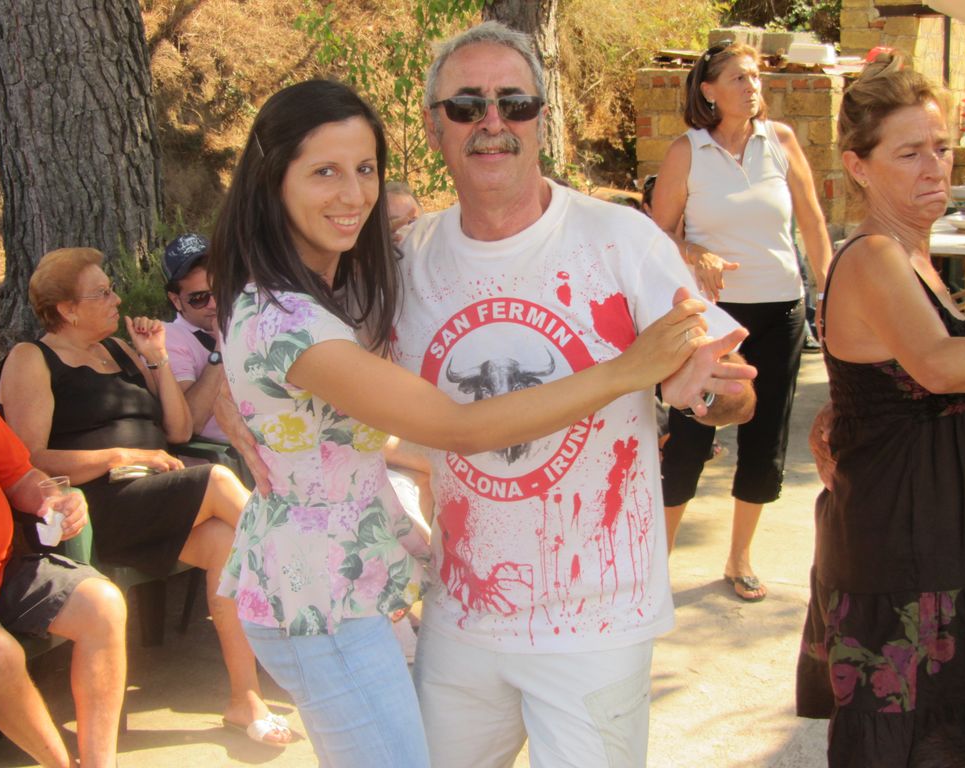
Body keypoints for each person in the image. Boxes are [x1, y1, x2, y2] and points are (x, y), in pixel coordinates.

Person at [206, 75, 754, 768]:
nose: (352, 194)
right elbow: (457, 426)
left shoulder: (604, 238)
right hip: (323, 600)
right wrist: (628, 370)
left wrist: (703, 389)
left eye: (366, 169)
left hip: (416, 597)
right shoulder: (304, 309)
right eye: (324, 172)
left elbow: (729, 384)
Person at [391, 22, 756, 768]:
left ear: (541, 116)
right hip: (461, 612)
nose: (493, 122)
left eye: (515, 102)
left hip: (597, 620)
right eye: (466, 106)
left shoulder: (619, 239)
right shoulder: (406, 261)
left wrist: (706, 394)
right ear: (433, 127)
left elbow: (730, 390)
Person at [0, 248, 289, 748]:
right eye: (102, 292)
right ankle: (309, 562)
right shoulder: (32, 359)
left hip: (154, 495)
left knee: (224, 542)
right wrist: (120, 454)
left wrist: (158, 360)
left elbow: (178, 429)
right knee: (218, 480)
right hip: (99, 506)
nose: (117, 299)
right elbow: (27, 458)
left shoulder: (120, 351)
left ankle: (245, 698)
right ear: (67, 309)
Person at [795, 53, 965, 765]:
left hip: (924, 536)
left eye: (942, 148)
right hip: (900, 549)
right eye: (910, 153)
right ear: (858, 167)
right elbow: (938, 365)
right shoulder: (874, 256)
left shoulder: (916, 257)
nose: (935, 168)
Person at [651, 39, 833, 601]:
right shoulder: (687, 151)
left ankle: (740, 557)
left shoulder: (780, 141)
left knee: (764, 438)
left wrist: (831, 295)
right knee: (688, 438)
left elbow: (812, 223)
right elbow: (655, 235)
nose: (752, 87)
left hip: (781, 312)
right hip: (712, 321)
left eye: (755, 77)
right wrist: (694, 252)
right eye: (739, 78)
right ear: (709, 90)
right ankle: (656, 567)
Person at [0, 362, 125, 768]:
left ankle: (100, 763)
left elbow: (18, 475)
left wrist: (53, 499)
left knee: (102, 603)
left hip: (0, 571)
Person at [161, 233, 229, 442]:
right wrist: (221, 348)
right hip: (225, 454)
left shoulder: (248, 318)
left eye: (220, 291)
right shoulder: (169, 338)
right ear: (176, 301)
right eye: (199, 298)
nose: (214, 305)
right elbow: (192, 421)